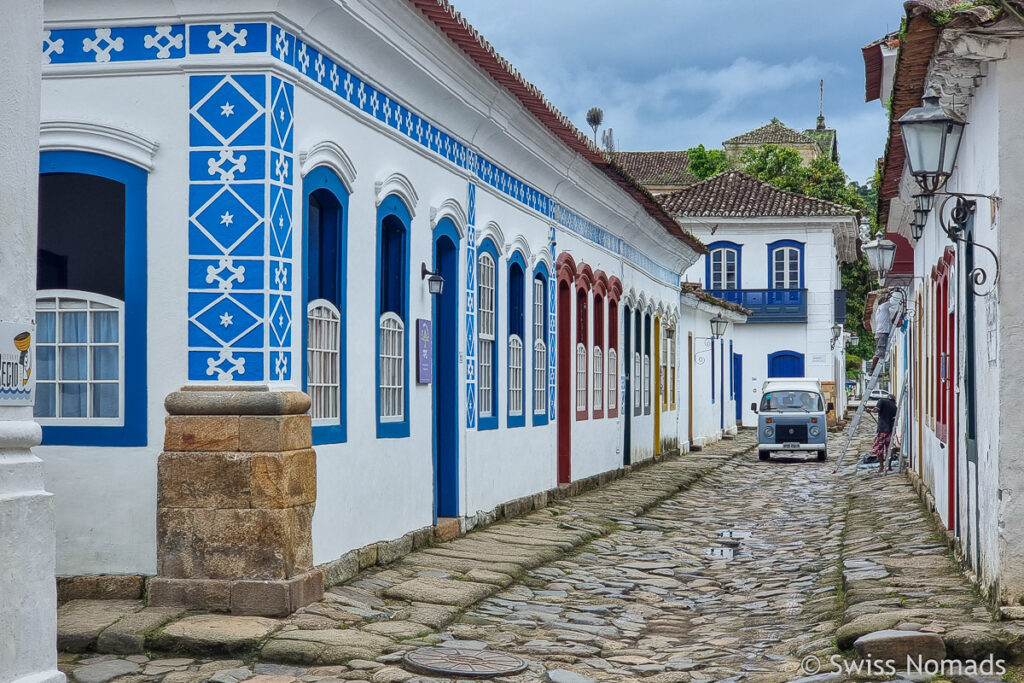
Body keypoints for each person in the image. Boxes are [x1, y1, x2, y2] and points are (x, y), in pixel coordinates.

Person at [873, 392, 898, 473]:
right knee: (889, 449)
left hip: (882, 430)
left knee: (879, 448)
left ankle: (881, 467)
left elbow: (876, 410)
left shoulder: (882, 401)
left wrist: (871, 410)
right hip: (890, 431)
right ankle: (889, 466)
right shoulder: (895, 407)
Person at [871, 294, 893, 372]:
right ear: (883, 301)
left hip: (879, 332)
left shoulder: (879, 310)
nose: (887, 301)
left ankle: (873, 369)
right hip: (882, 332)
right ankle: (873, 369)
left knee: (879, 352)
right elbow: (894, 302)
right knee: (879, 353)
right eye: (885, 300)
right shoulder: (883, 306)